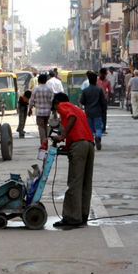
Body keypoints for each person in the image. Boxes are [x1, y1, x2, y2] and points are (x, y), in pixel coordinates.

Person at [50, 92, 95, 229]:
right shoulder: (77, 108)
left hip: (79, 146)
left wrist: (62, 136)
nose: (57, 111)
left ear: (57, 102)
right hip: (89, 144)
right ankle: (83, 215)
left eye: (55, 108)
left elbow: (71, 118)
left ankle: (71, 217)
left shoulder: (64, 106)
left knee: (74, 182)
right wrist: (67, 144)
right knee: (85, 183)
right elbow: (78, 127)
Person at [80, 70, 108, 150]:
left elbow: (82, 101)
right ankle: (98, 137)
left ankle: (91, 142)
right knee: (98, 127)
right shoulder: (99, 90)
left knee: (90, 129)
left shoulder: (85, 91)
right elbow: (103, 102)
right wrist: (103, 110)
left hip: (88, 112)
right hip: (97, 112)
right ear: (96, 80)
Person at [29, 73, 54, 144]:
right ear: (46, 80)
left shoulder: (36, 89)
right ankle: (45, 140)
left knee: (41, 127)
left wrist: (30, 109)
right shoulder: (50, 89)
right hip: (47, 112)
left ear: (39, 81)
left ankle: (43, 142)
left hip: (39, 112)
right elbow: (52, 100)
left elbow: (32, 100)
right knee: (45, 125)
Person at [97, 67, 112, 133]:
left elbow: (109, 91)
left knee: (103, 115)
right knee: (97, 114)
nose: (103, 75)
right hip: (96, 100)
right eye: (102, 74)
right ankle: (98, 128)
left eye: (104, 74)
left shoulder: (107, 81)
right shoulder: (96, 81)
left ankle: (103, 129)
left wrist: (108, 98)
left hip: (103, 99)